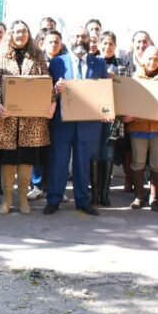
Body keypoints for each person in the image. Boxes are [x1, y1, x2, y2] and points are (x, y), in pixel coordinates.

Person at [0, 21, 52, 215]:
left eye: (24, 31)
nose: (20, 35)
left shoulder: (37, 54)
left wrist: (50, 103)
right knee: (8, 158)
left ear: (28, 33)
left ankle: (23, 198)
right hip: (6, 116)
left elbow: (46, 81)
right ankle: (7, 198)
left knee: (26, 157)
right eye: (16, 32)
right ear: (11, 34)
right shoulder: (0, 54)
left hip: (31, 118)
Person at [45, 27, 110, 216]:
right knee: (59, 162)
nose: (79, 39)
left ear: (89, 39)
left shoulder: (98, 63)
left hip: (88, 122)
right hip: (62, 121)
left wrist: (106, 110)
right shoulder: (57, 63)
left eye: (83, 36)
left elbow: (104, 91)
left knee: (83, 164)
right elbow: (46, 91)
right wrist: (55, 91)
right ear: (69, 40)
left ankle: (82, 201)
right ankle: (54, 199)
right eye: (76, 36)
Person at [121, 46, 158, 211]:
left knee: (157, 164)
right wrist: (126, 117)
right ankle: (139, 196)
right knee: (138, 163)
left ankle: (154, 197)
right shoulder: (134, 78)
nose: (152, 62)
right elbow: (126, 102)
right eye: (149, 58)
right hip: (138, 127)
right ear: (142, 59)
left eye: (156, 58)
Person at [93, 31, 130, 207]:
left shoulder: (122, 64)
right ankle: (94, 193)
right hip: (92, 116)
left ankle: (104, 194)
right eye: (104, 43)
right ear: (99, 45)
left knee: (107, 154)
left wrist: (117, 80)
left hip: (113, 117)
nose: (107, 47)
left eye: (111, 44)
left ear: (115, 46)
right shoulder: (91, 61)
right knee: (93, 154)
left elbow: (128, 90)